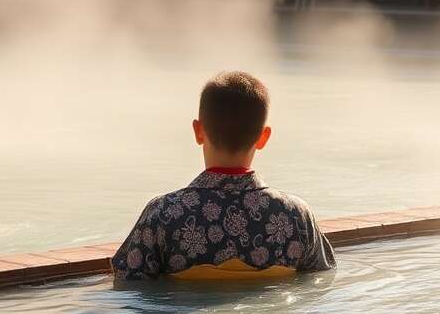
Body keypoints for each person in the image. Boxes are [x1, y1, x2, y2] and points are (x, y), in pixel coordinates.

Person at [112, 71, 336, 280]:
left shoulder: (163, 214)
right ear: (263, 137)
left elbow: (128, 283)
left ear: (198, 131)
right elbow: (320, 280)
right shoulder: (296, 216)